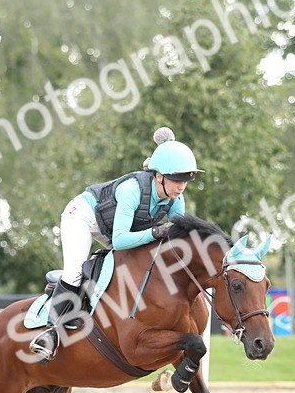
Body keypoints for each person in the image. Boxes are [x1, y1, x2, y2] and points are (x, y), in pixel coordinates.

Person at [30, 128, 204, 360]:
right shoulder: (133, 190)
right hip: (83, 216)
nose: (181, 186)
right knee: (75, 272)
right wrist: (155, 232)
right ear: (159, 177)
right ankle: (50, 333)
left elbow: (177, 240)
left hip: (112, 227)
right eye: (176, 180)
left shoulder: (176, 199)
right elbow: (120, 241)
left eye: (185, 180)